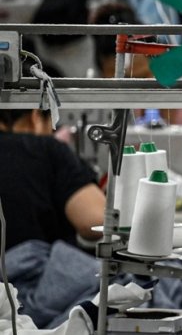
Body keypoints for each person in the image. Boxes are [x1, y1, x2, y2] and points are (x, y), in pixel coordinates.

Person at [0, 105, 105, 249]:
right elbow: (96, 220)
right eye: (52, 126)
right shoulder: (45, 149)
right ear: (36, 116)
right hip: (32, 261)